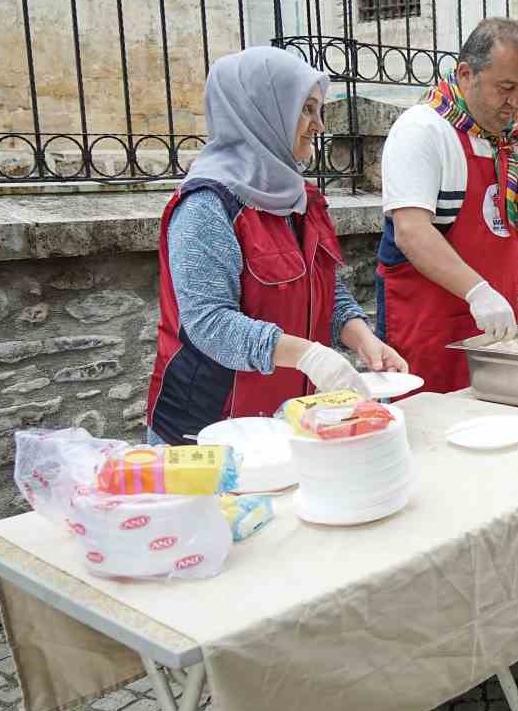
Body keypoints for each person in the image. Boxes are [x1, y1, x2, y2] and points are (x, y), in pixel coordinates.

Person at [145, 46, 406, 445]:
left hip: (285, 418)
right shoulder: (206, 206)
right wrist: (309, 355)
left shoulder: (299, 199)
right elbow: (209, 323)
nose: (319, 125)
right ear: (261, 112)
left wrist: (365, 340)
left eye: (319, 111)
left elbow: (326, 291)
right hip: (208, 430)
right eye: (306, 110)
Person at [375, 18, 518, 392]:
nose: (516, 102)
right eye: (506, 88)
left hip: (497, 325)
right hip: (429, 323)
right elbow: (412, 231)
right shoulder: (422, 130)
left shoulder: (511, 143)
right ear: (466, 74)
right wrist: (477, 292)